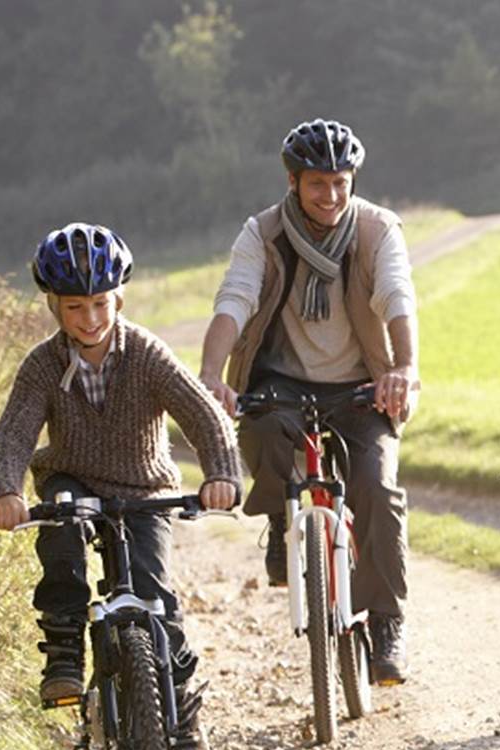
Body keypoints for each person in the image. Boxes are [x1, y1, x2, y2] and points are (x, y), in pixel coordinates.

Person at [0, 222, 242, 750]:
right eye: (74, 306)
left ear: (118, 298)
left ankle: (181, 726)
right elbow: (12, 434)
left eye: (100, 303)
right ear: (54, 306)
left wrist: (222, 472)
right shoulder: (43, 365)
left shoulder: (146, 353)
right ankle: (63, 655)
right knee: (61, 531)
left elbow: (202, 412)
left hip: (142, 487)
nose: (90, 318)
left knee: (157, 598)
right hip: (73, 481)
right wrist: (6, 491)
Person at [198, 118, 419, 685]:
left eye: (342, 181)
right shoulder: (263, 233)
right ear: (293, 182)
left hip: (361, 382)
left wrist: (403, 367)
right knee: (265, 432)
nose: (332, 195)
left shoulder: (376, 229)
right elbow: (236, 299)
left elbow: (396, 295)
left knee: (377, 487)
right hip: (283, 379)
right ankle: (279, 518)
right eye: (318, 183)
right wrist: (210, 374)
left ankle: (386, 621)